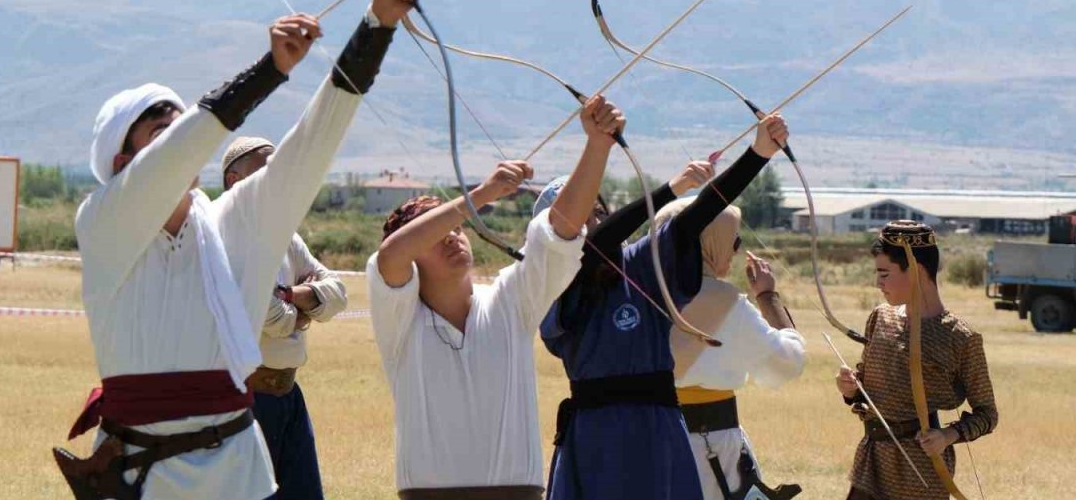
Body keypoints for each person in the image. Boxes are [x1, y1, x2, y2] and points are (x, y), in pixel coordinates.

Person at [55, 0, 419, 500]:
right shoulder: (103, 221)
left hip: (242, 474)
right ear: (122, 161)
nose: (180, 141)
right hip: (144, 478)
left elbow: (312, 145)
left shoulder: (229, 223)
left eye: (180, 127)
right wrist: (269, 69)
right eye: (161, 132)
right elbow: (185, 150)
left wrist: (377, 25)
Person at [367, 96, 626, 500]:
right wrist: (482, 195)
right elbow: (390, 256)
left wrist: (597, 145)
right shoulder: (399, 318)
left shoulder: (510, 300)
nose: (452, 235)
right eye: (435, 232)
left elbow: (559, 231)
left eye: (457, 227)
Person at [539, 114, 791, 500]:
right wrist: (670, 188)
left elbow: (697, 217)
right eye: (578, 215)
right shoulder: (551, 283)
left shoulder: (642, 264)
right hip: (597, 439)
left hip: (658, 432)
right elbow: (590, 251)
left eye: (600, 210)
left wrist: (758, 154)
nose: (592, 221)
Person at [221, 136, 350, 500]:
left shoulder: (283, 236)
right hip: (243, 401)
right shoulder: (225, 233)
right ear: (234, 179)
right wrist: (307, 307)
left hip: (288, 394)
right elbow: (272, 319)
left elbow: (338, 293)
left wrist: (292, 296)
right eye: (267, 170)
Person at [836, 221, 998, 500]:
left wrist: (948, 436)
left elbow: (987, 414)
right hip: (871, 462)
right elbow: (867, 385)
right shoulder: (880, 317)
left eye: (885, 273)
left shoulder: (960, 337)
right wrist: (850, 389)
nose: (879, 282)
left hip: (920, 472)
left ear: (917, 271)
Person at [656, 197, 805, 500]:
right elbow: (786, 363)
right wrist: (768, 297)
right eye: (732, 241)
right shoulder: (729, 305)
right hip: (712, 449)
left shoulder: (635, 293)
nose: (734, 250)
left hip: (643, 441)